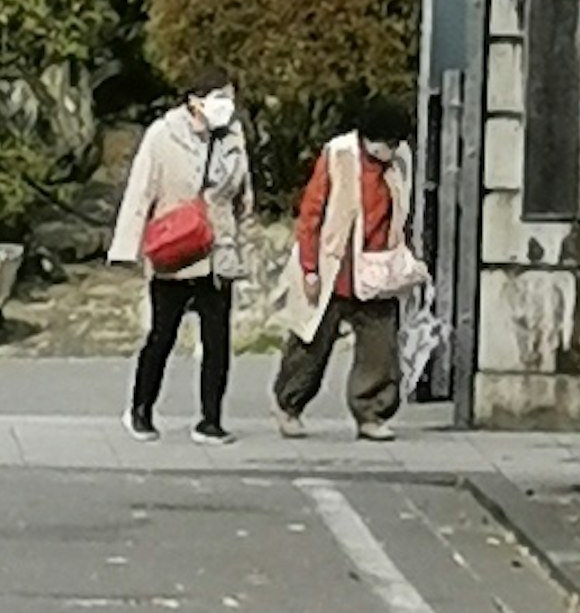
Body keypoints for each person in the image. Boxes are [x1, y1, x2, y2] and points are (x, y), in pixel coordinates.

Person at [111, 79, 253, 431]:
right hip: (175, 248)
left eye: (230, 99)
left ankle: (211, 419)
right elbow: (141, 191)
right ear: (194, 101)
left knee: (217, 340)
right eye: (219, 98)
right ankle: (141, 408)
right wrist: (127, 247)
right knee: (162, 335)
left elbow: (243, 197)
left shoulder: (233, 137)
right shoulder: (163, 135)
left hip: (218, 247)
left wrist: (243, 245)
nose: (226, 106)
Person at [274, 112, 423, 438]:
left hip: (375, 271)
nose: (391, 149)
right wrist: (310, 270)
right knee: (311, 343)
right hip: (333, 267)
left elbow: (400, 217)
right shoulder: (338, 155)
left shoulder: (397, 164)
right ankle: (290, 405)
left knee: (380, 348)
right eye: (387, 143)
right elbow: (311, 214)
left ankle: (372, 414)